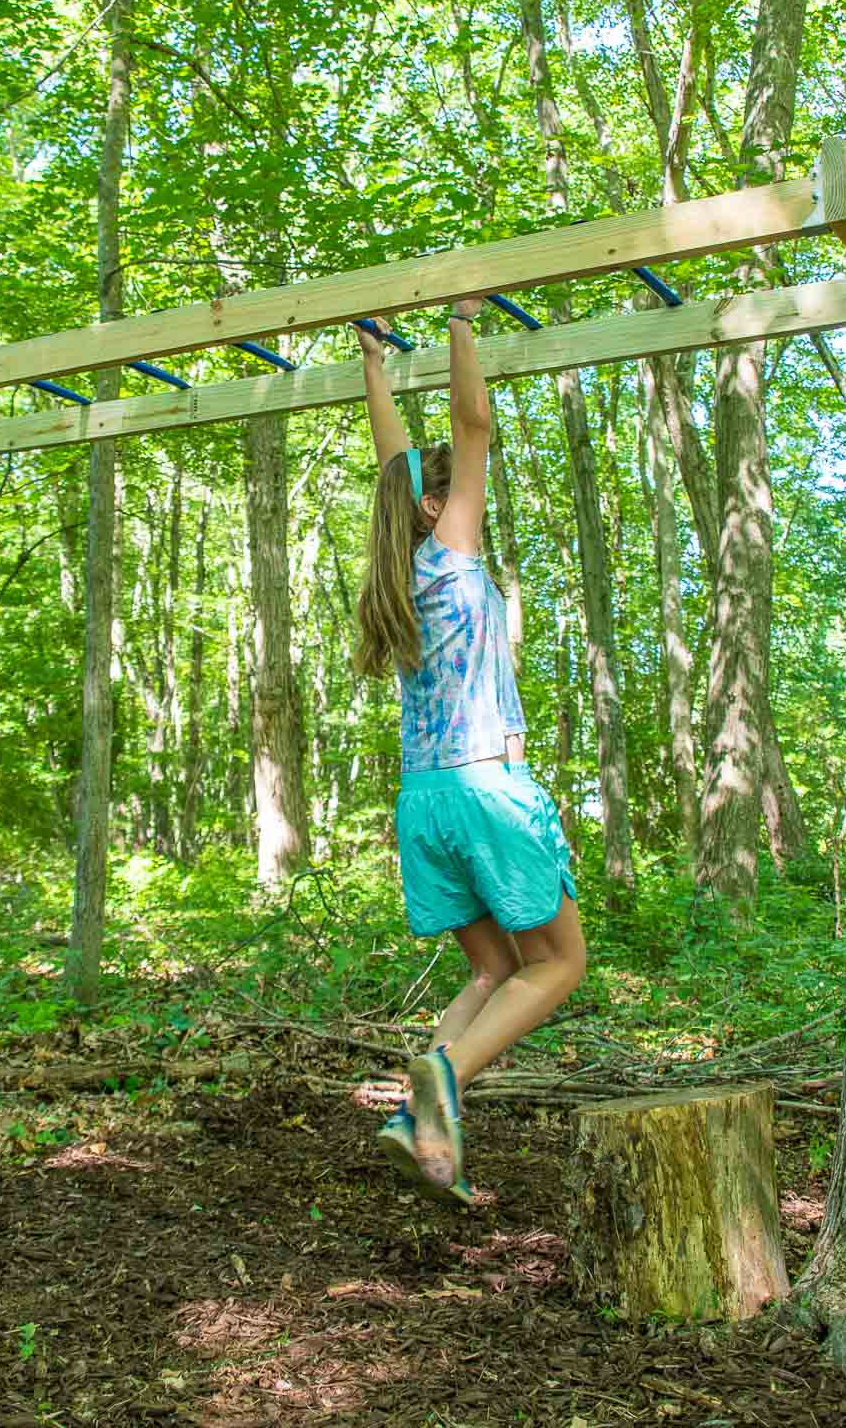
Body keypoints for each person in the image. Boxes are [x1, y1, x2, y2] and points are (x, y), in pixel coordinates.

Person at [354, 298, 587, 1203]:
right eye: (457, 491)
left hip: (425, 804)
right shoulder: (451, 558)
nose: (470, 501)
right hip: (487, 790)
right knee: (557, 965)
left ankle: (425, 1127)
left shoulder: (399, 570)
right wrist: (460, 323)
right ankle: (437, 1094)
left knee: (496, 968)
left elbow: (392, 465)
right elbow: (472, 425)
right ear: (434, 507)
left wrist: (376, 363)